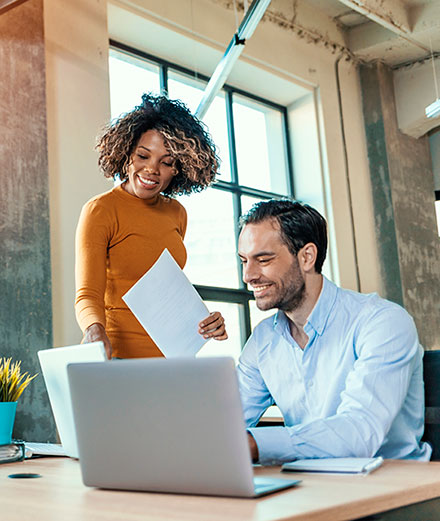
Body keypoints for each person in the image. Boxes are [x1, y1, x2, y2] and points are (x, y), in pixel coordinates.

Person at [237, 199, 431, 465]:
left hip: (396, 487)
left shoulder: (382, 322)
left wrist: (253, 444)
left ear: (307, 257)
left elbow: (359, 434)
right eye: (244, 261)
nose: (248, 275)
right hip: (313, 482)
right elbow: (227, 421)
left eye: (263, 259)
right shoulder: (263, 340)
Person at [75, 93, 227, 359]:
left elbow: (168, 292)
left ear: (178, 169)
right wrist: (94, 329)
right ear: (126, 154)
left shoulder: (177, 213)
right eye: (143, 156)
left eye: (166, 162)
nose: (151, 169)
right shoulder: (101, 210)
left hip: (173, 359)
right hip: (118, 357)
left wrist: (206, 321)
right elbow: (87, 293)